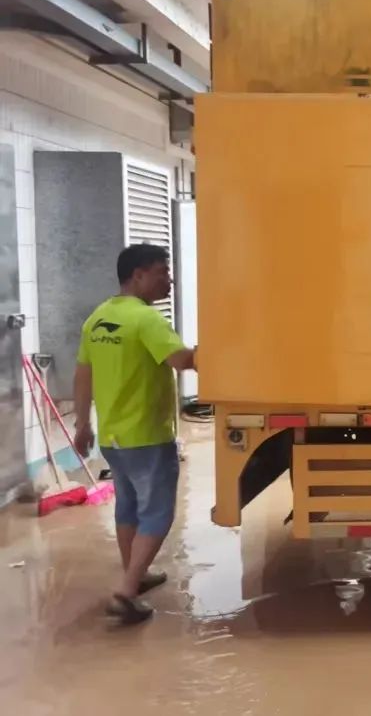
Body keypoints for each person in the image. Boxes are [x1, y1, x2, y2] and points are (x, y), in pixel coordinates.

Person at [73, 243, 197, 625]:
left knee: (127, 507)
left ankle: (135, 574)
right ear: (138, 275)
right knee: (157, 513)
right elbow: (182, 361)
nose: (169, 281)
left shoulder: (97, 318)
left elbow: (83, 375)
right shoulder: (147, 319)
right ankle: (127, 592)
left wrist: (82, 424)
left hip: (112, 437)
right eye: (162, 272)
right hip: (147, 435)